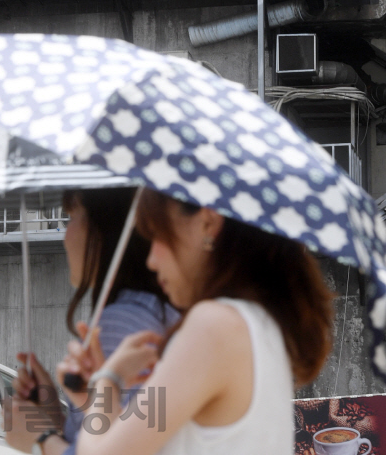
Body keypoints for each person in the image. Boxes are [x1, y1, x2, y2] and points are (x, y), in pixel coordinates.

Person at [60, 191, 334, 455]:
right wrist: (97, 395)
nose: (151, 261)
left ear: (207, 223)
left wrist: (108, 380)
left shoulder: (214, 326)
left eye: (157, 236)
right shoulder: (259, 322)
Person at [5, 188, 179, 455]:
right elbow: (113, 436)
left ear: (104, 230)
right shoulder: (149, 310)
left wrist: (40, 439)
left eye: (71, 217)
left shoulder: (120, 324)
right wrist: (55, 416)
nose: (66, 236)